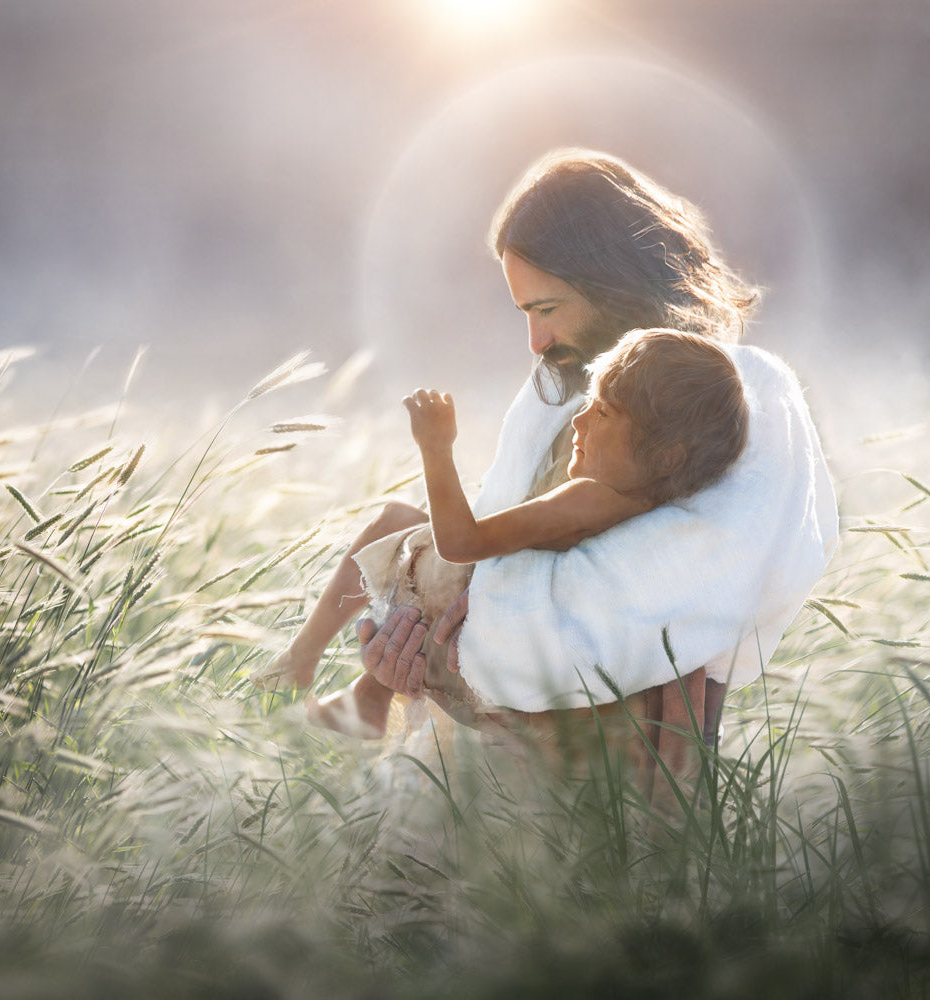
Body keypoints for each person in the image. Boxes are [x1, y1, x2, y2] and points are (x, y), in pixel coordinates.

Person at [340, 148, 838, 790]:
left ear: (612, 280)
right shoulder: (560, 406)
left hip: (622, 795)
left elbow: (626, 613)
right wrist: (406, 660)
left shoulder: (732, 402)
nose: (536, 343)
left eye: (547, 310)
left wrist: (466, 635)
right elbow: (480, 571)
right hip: (471, 777)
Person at [267, 329, 748, 738]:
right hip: (474, 647)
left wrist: (436, 448)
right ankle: (365, 697)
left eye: (602, 413)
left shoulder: (592, 498)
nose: (579, 420)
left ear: (667, 456)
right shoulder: (644, 511)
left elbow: (462, 543)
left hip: (466, 647)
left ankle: (300, 661)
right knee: (411, 540)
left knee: (394, 519)